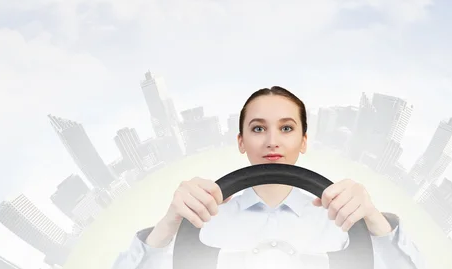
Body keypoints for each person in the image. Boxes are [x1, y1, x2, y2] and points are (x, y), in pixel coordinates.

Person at [111, 86, 425, 268]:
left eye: (286, 128)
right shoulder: (205, 222)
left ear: (304, 141)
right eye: (258, 128)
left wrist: (374, 222)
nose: (272, 141)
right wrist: (167, 226)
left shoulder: (339, 221)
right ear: (240, 141)